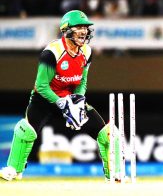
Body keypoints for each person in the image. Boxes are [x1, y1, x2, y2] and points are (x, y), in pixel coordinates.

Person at [0, 10, 119, 181]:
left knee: (108, 134)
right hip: (45, 99)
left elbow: (82, 81)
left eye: (85, 28)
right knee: (25, 131)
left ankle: (113, 174)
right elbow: (41, 86)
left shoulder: (87, 52)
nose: (84, 31)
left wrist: (78, 100)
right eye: (79, 27)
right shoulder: (52, 53)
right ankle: (14, 169)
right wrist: (61, 103)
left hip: (70, 98)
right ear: (67, 30)